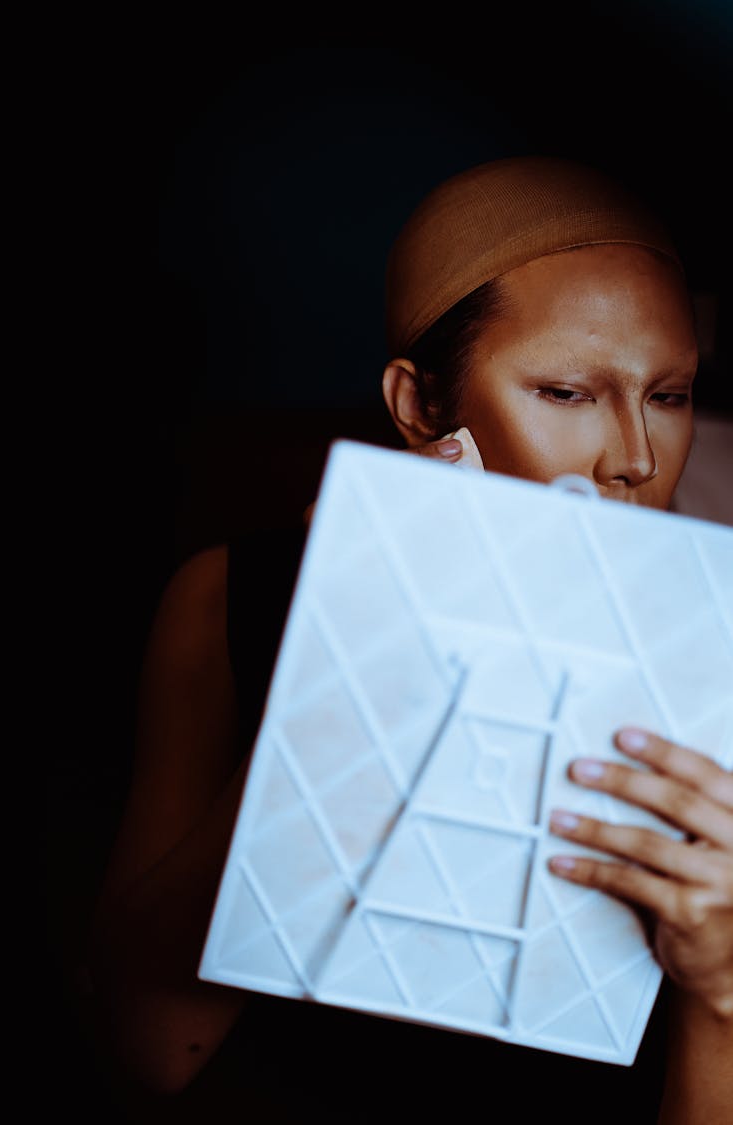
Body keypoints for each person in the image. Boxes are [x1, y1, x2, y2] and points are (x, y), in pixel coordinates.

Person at [89, 156, 732, 1123]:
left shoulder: (716, 656)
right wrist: (338, 687)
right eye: (566, 392)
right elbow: (148, 1047)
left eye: (670, 395)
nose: (635, 458)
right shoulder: (232, 598)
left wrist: (721, 993)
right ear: (421, 407)